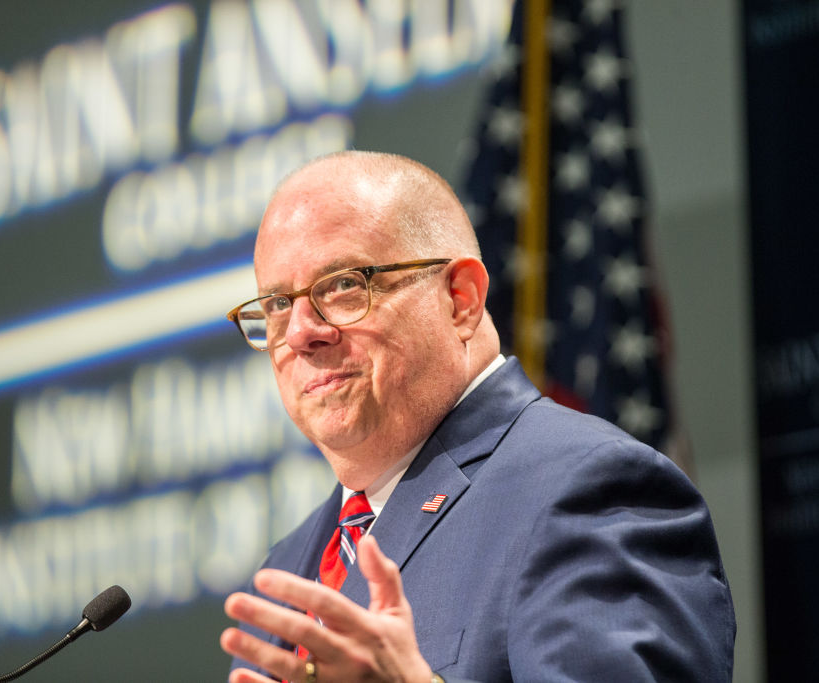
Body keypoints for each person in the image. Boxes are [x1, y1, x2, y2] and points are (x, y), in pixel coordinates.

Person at [220, 151, 735, 682]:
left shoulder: (590, 489)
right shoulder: (286, 569)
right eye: (279, 304)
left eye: (345, 284)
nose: (302, 332)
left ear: (461, 299)